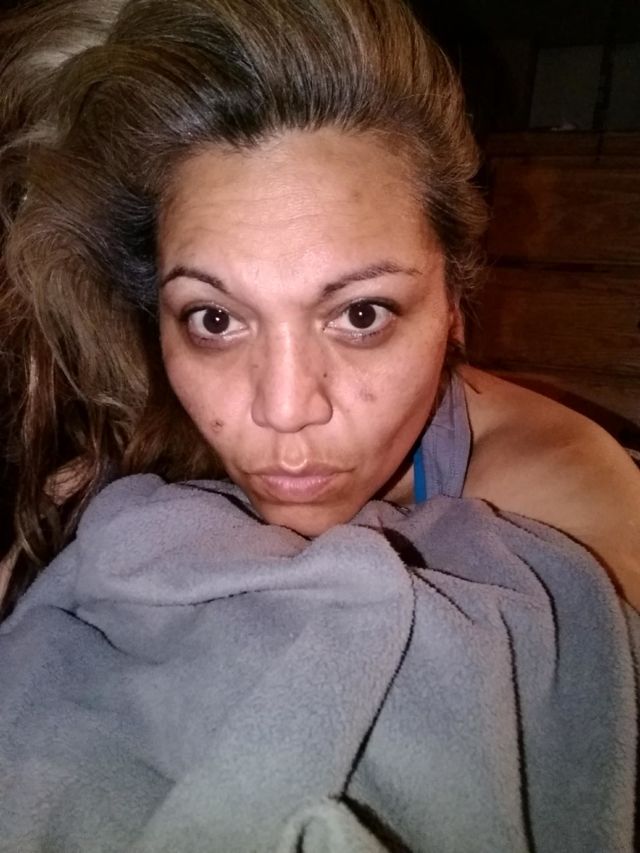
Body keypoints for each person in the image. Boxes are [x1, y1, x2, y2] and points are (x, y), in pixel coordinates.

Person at [0, 1, 638, 851]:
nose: (285, 404)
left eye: (361, 313)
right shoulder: (129, 422)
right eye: (216, 319)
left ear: (454, 303)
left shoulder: (564, 511)